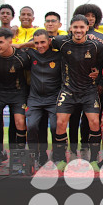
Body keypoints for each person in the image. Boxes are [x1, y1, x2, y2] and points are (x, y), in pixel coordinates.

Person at [51, 15, 103, 171]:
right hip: (68, 90)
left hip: (89, 90)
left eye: (81, 27)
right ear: (71, 28)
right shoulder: (61, 41)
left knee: (94, 123)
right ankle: (60, 158)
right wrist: (19, 46)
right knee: (60, 123)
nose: (78, 30)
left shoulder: (96, 44)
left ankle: (93, 160)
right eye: (75, 27)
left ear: (87, 28)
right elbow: (41, 44)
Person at [0, 28, 31, 152]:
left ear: (10, 41)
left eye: (1, 42)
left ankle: (19, 154)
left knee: (20, 121)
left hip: (18, 92)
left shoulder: (22, 56)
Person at [25, 29, 62, 166]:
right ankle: (36, 155)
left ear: (49, 41)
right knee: (32, 126)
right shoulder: (31, 53)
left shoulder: (59, 56)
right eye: (36, 43)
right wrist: (23, 45)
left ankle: (58, 155)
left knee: (54, 127)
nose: (39, 46)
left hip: (53, 98)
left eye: (43, 42)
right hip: (35, 98)